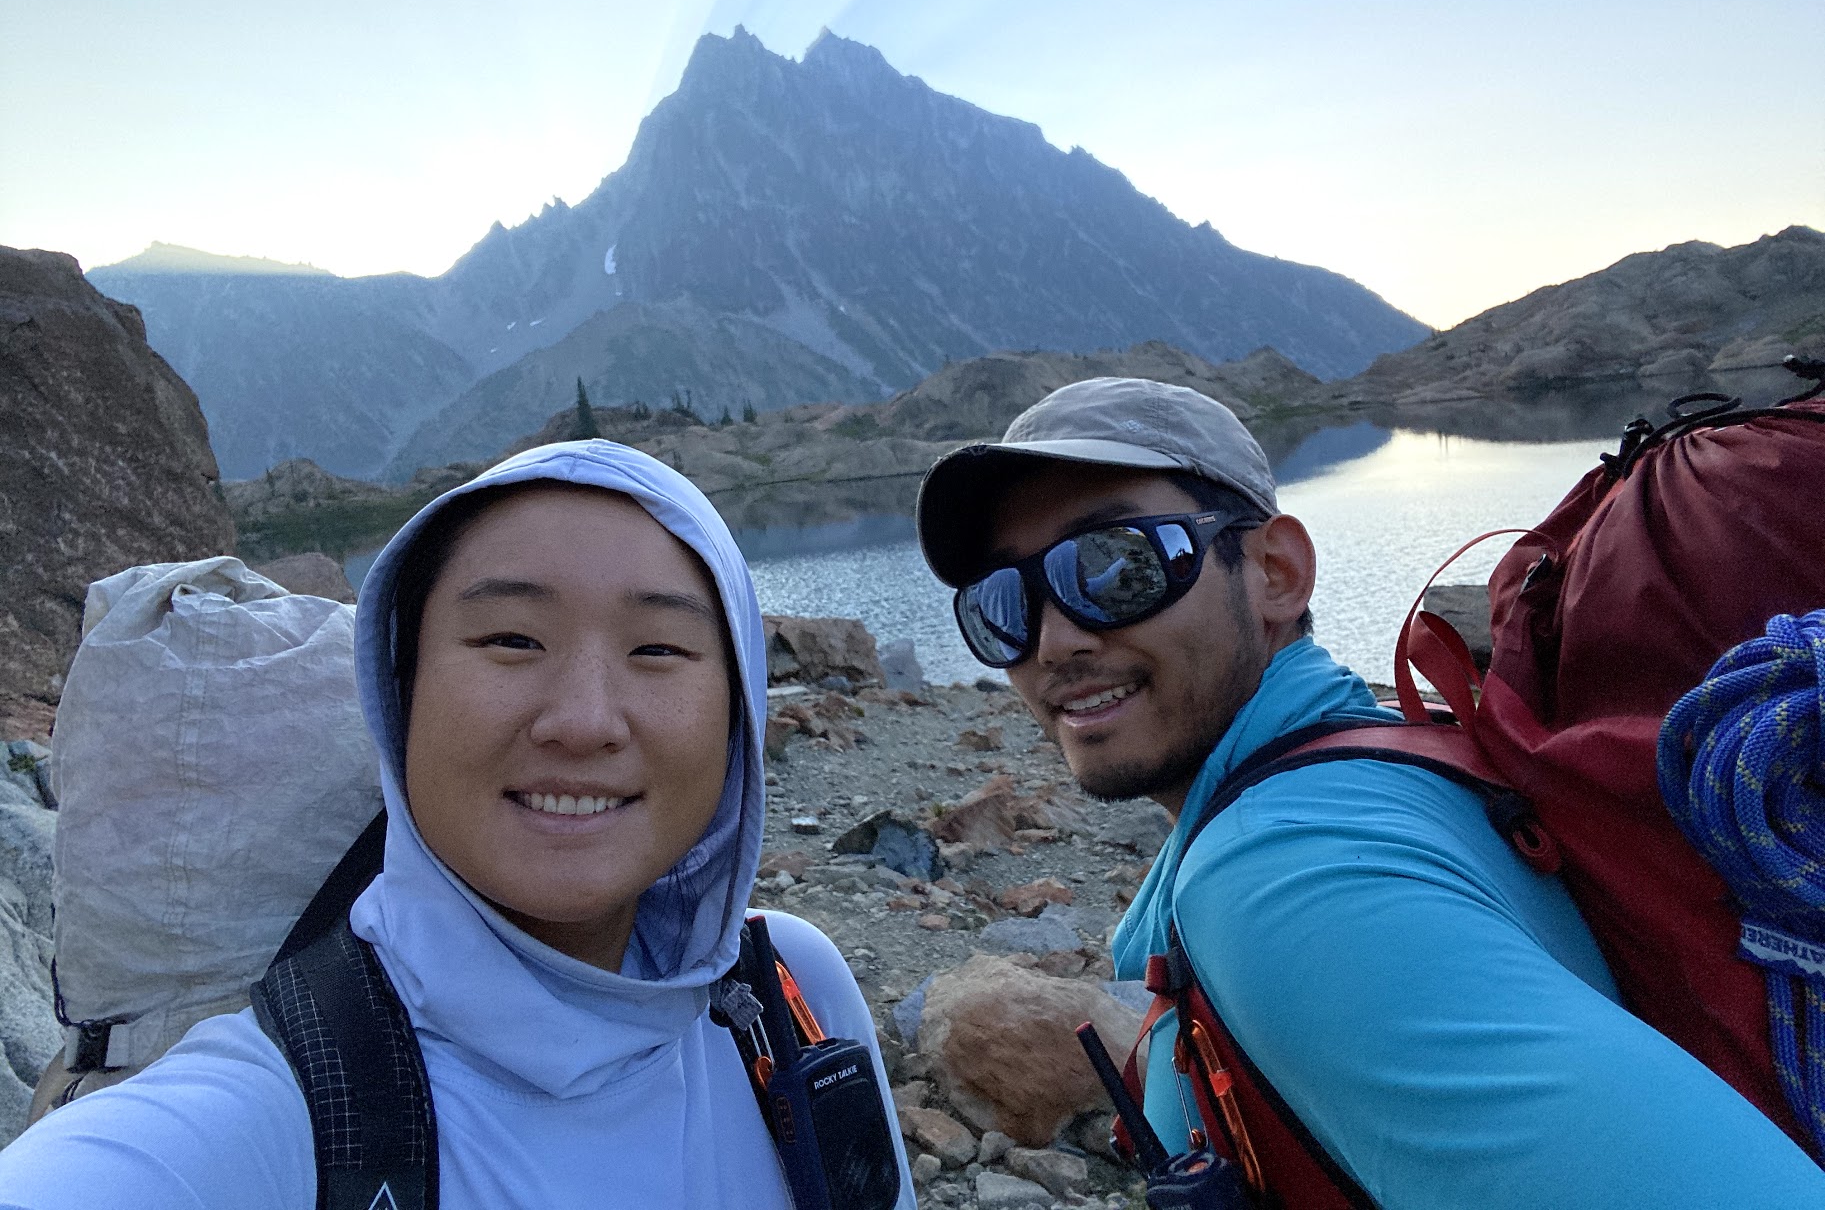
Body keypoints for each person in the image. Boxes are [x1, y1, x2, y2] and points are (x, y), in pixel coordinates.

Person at [914, 376, 1825, 1209]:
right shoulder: (1379, 757)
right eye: (1003, 605)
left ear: (1275, 572)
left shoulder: (1289, 881)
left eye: (1117, 565)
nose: (1053, 641)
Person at [0, 440, 914, 1208]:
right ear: (399, 695)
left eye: (658, 648)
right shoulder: (260, 1122)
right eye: (512, 639)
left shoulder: (792, 995)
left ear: (737, 716)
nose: (584, 719)